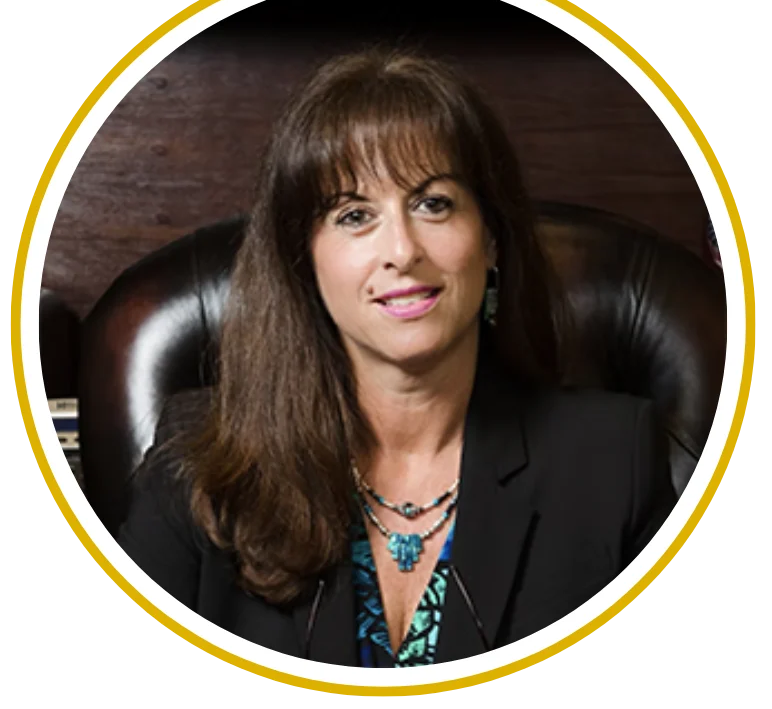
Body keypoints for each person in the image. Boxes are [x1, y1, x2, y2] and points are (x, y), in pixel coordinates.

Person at [118, 47, 676, 668]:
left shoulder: (613, 461)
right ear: (306, 260)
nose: (403, 251)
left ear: (490, 237)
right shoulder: (199, 462)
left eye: (433, 203)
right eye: (355, 215)